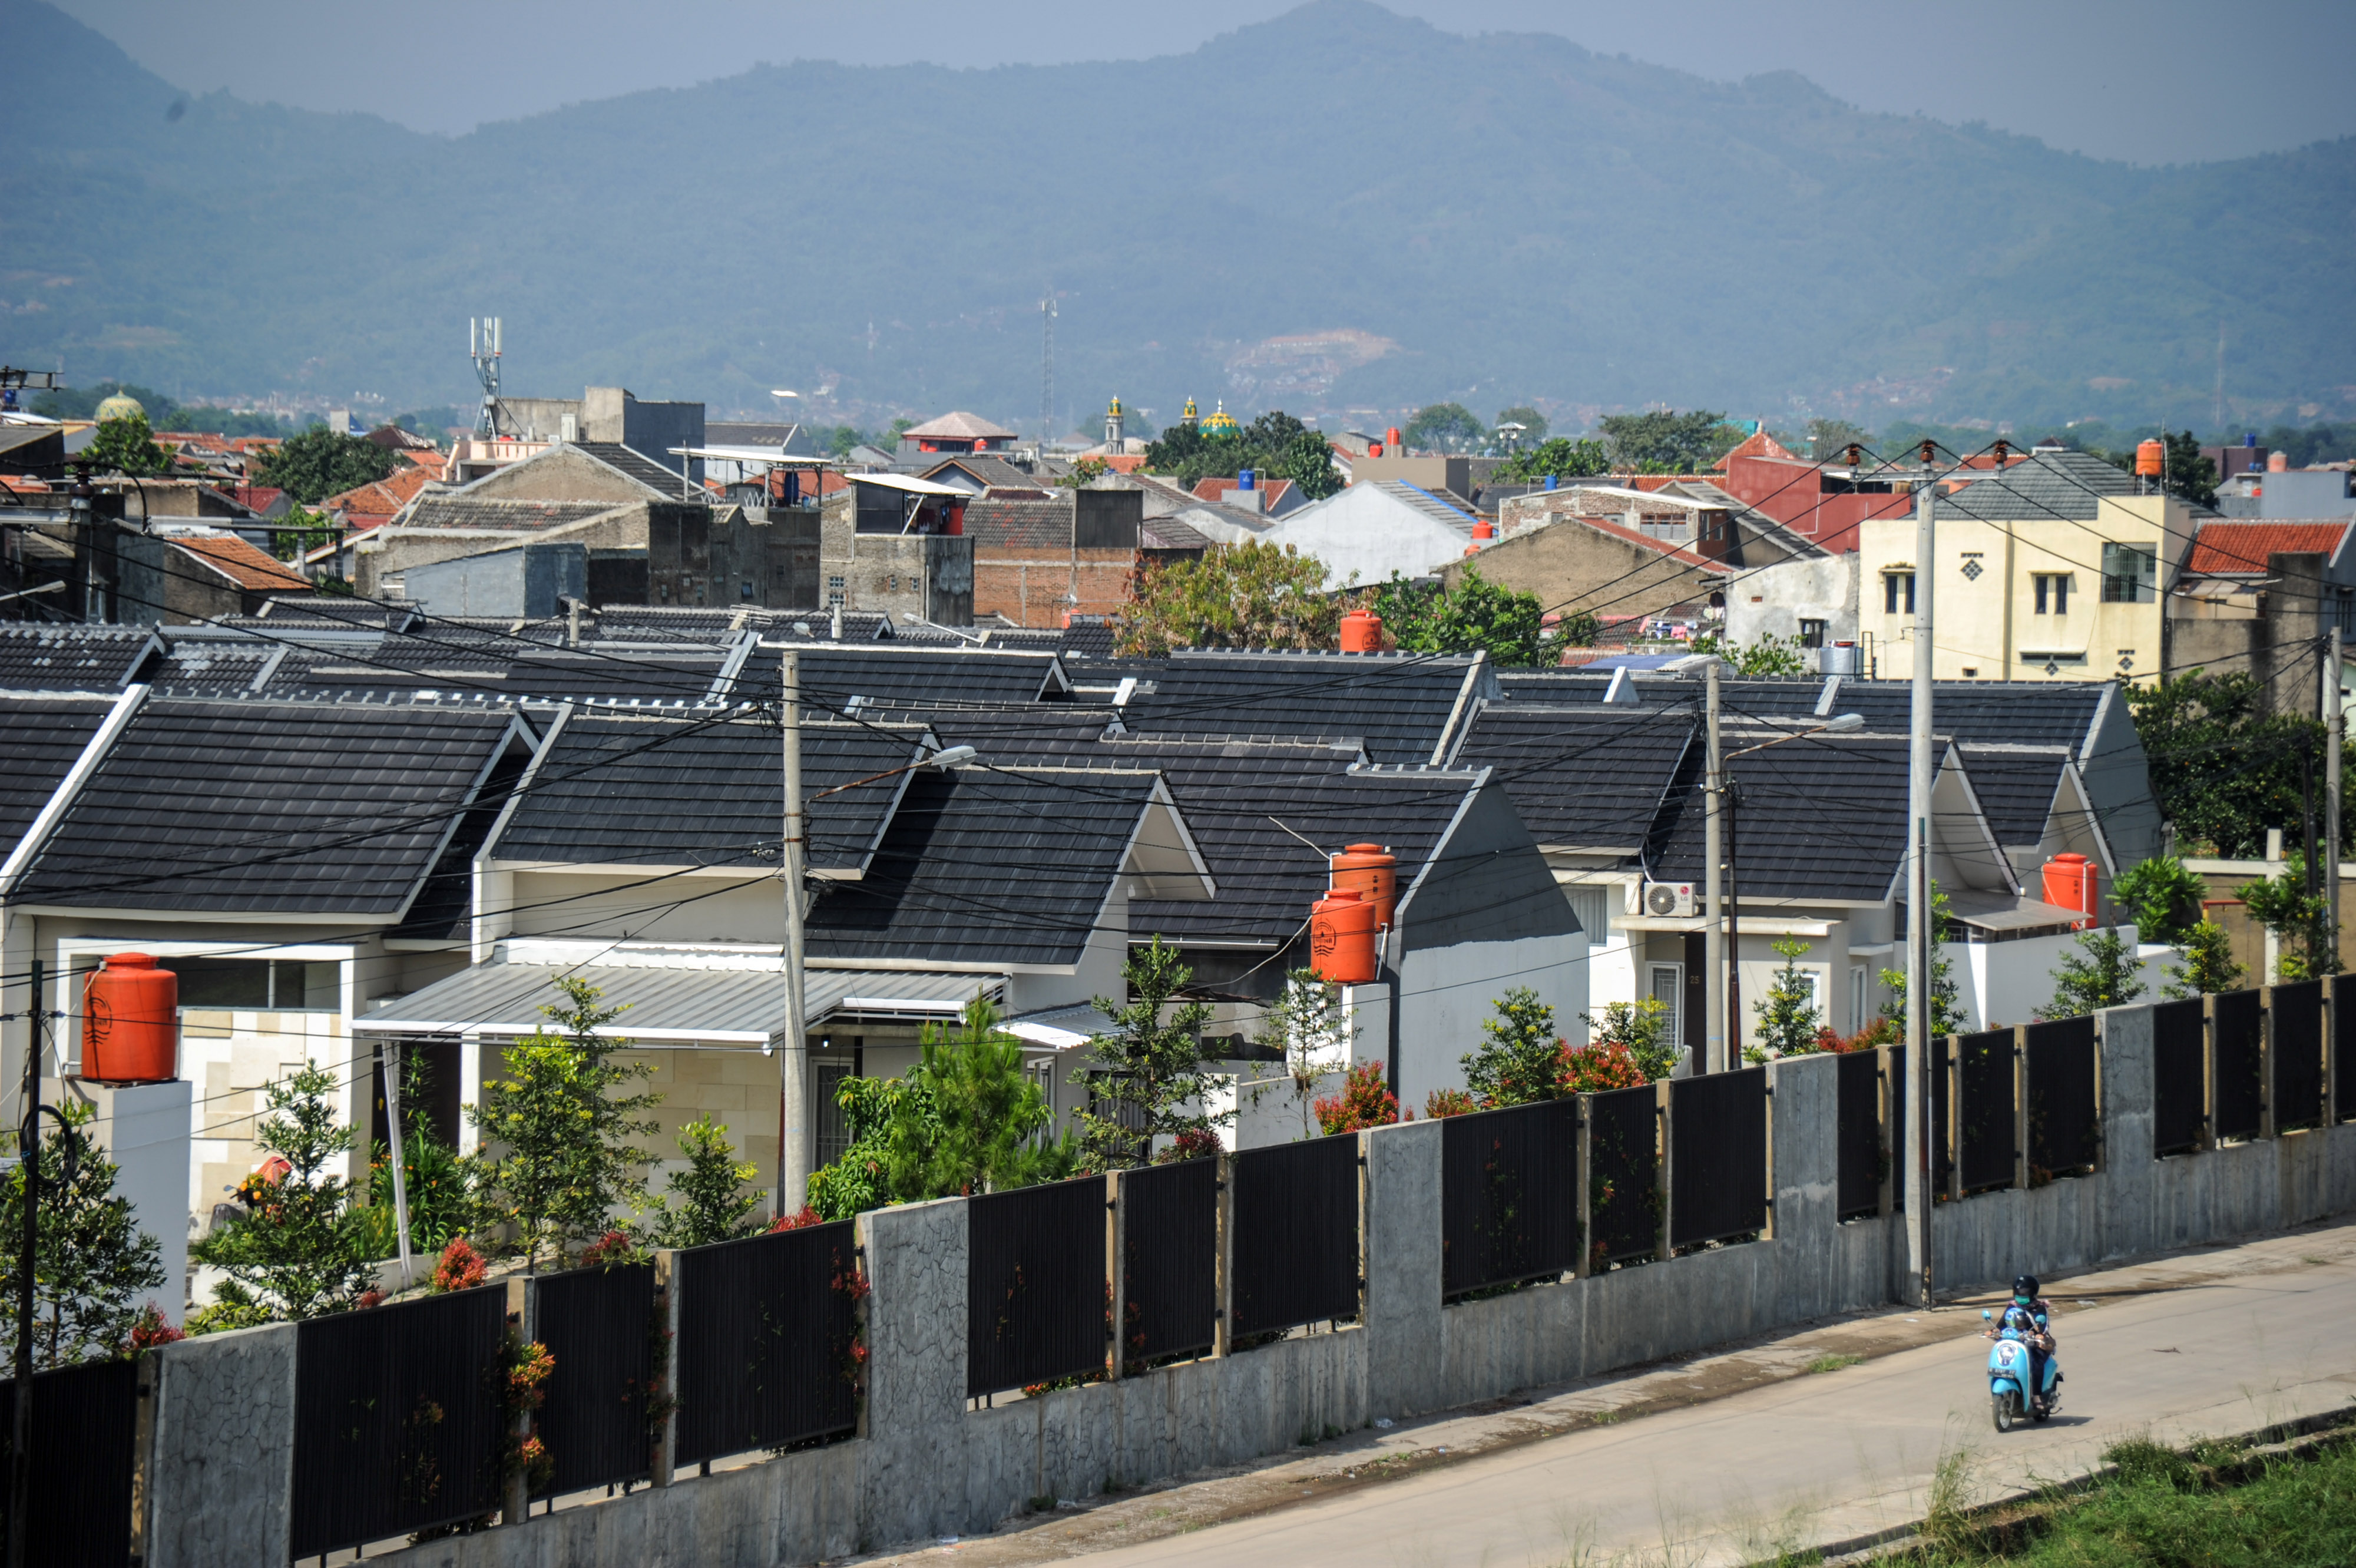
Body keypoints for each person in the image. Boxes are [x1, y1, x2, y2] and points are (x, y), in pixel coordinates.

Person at [1984, 1273, 2057, 1408]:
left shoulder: (2039, 1308)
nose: (2020, 1296)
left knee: (2036, 1365)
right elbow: (2002, 1323)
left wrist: (2038, 1334)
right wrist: (1993, 1331)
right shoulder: (2012, 1306)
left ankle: (2036, 1396)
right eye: (2018, 1293)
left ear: (2033, 1293)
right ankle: (1998, 1396)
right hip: (2014, 1342)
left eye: (2024, 1293)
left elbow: (2042, 1325)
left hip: (2033, 1343)